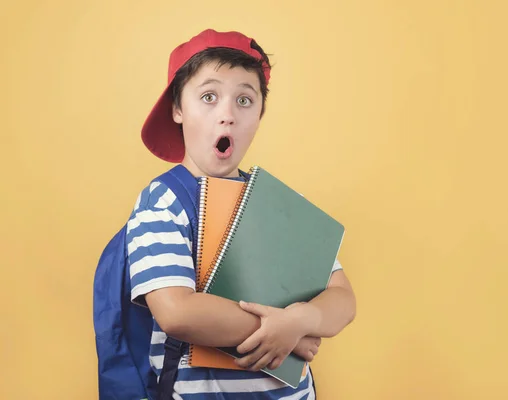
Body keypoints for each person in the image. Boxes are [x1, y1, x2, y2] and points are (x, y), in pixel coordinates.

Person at [127, 28, 356, 399]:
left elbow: (343, 298)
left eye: (244, 101)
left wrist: (302, 320)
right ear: (178, 109)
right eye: (208, 96)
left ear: (260, 114)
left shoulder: (281, 203)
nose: (227, 115)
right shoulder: (163, 201)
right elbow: (176, 311)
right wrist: (279, 329)